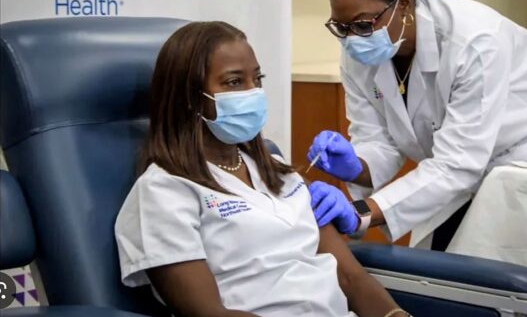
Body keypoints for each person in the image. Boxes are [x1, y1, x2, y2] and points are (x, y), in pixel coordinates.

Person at [114, 21, 409, 317]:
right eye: (233, 82)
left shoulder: (280, 172)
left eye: (257, 79)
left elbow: (351, 278)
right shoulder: (165, 192)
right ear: (190, 99)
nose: (252, 92)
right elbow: (207, 313)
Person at [307, 0, 527, 250]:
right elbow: (380, 140)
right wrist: (357, 165)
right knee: (439, 274)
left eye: (363, 24)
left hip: (522, 166)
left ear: (404, 4)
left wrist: (362, 213)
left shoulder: (475, 42)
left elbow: (457, 164)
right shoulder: (359, 49)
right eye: (341, 27)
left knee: (492, 280)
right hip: (453, 173)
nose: (351, 38)